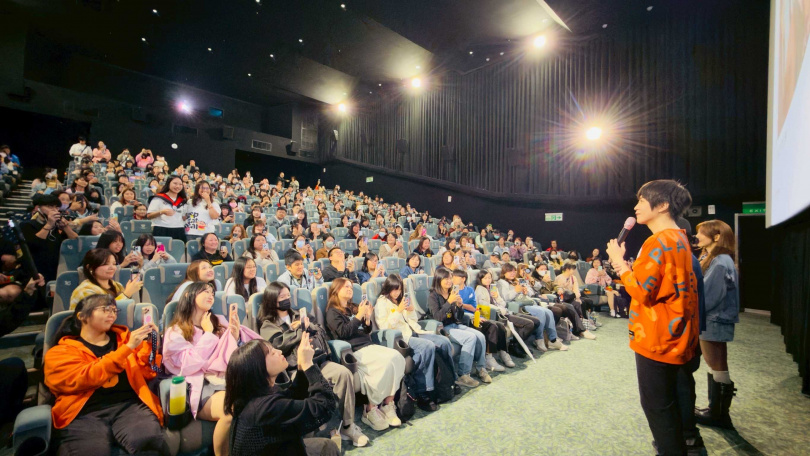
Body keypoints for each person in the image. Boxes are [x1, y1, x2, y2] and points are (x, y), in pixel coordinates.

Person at [605, 179, 703, 455]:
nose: (635, 207)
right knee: (670, 404)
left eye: (641, 201)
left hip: (656, 338)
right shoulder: (679, 239)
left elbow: (640, 290)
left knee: (658, 408)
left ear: (662, 205)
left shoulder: (657, 242)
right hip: (676, 336)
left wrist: (617, 261)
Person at [44, 294, 169, 455]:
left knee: (150, 443)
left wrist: (150, 346)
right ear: (82, 316)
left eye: (114, 310)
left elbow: (148, 373)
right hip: (83, 415)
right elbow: (84, 377)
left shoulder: (125, 340)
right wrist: (127, 349)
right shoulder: (61, 351)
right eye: (105, 309)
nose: (112, 313)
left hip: (129, 407)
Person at [256, 282, 368, 448]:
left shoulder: (298, 314)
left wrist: (309, 326)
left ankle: (348, 426)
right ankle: (311, 436)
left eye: (288, 295)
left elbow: (320, 329)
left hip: (317, 361)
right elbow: (277, 345)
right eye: (282, 297)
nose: (287, 299)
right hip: (295, 369)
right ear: (272, 300)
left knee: (343, 374)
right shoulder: (268, 324)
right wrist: (297, 331)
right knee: (304, 388)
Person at [162, 281, 261, 456]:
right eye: (204, 291)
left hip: (225, 378)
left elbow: (231, 356)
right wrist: (208, 335)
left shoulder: (219, 322)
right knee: (230, 410)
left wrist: (235, 336)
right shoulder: (175, 331)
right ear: (188, 295)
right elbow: (186, 366)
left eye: (212, 293)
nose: (210, 295)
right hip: (200, 385)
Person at [224, 337, 340, 456]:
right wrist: (308, 365)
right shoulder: (263, 408)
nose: (279, 352)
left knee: (328, 446)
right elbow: (325, 406)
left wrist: (300, 366)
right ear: (257, 368)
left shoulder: (258, 396)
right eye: (272, 352)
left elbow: (293, 396)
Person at [325, 278, 406, 432]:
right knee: (385, 363)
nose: (350, 289)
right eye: (345, 287)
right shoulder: (332, 312)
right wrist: (359, 316)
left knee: (397, 357)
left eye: (350, 286)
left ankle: (388, 405)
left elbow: (365, 331)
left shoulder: (352, 307)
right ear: (336, 290)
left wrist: (367, 319)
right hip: (353, 350)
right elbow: (343, 333)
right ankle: (370, 409)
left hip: (367, 345)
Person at [375, 274, 455, 411]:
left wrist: (411, 310)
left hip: (415, 331)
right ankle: (425, 392)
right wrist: (399, 311)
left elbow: (413, 320)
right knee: (427, 347)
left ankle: (450, 382)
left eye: (399, 290)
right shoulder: (381, 303)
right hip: (401, 338)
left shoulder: (400, 299)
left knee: (444, 342)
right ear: (388, 288)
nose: (397, 293)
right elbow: (384, 326)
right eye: (394, 289)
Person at [693, 220, 739, 429]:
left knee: (717, 365)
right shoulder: (721, 259)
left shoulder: (720, 261)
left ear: (717, 236)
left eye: (702, 233)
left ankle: (718, 414)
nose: (698, 236)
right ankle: (717, 410)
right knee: (717, 365)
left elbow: (709, 295)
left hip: (713, 318)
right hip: (715, 318)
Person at [428, 267, 491, 387]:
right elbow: (437, 317)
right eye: (446, 278)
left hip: (455, 324)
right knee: (470, 338)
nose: (449, 281)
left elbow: (459, 317)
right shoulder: (433, 296)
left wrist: (459, 306)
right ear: (438, 279)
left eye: (450, 278)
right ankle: (463, 374)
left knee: (480, 336)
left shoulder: (452, 292)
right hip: (443, 328)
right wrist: (449, 302)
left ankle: (480, 368)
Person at [451, 269, 513, 371]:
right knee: (492, 327)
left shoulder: (470, 290)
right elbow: (456, 308)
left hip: (475, 315)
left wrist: (463, 305)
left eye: (455, 277)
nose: (452, 279)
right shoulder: (453, 291)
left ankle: (503, 352)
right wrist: (464, 306)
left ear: (463, 279)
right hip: (465, 318)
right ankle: (488, 358)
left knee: (500, 326)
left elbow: (474, 307)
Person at [22, 194, 78, 282]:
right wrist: (49, 224)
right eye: (50, 206)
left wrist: (66, 227)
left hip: (56, 268)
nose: (54, 210)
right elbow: (34, 244)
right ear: (37, 208)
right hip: (36, 270)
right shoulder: (27, 225)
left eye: (56, 207)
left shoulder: (57, 226)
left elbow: (76, 242)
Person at [69, 249, 143, 310]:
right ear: (90, 268)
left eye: (114, 264)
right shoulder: (84, 290)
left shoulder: (117, 285)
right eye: (105, 264)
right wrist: (126, 294)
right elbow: (101, 315)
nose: (112, 267)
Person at [147, 176, 187, 241]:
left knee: (178, 250)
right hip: (161, 229)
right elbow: (149, 216)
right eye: (175, 183)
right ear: (168, 184)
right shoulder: (158, 198)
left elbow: (183, 216)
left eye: (180, 184)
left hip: (179, 229)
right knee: (160, 250)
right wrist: (162, 212)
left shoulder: (183, 201)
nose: (178, 186)